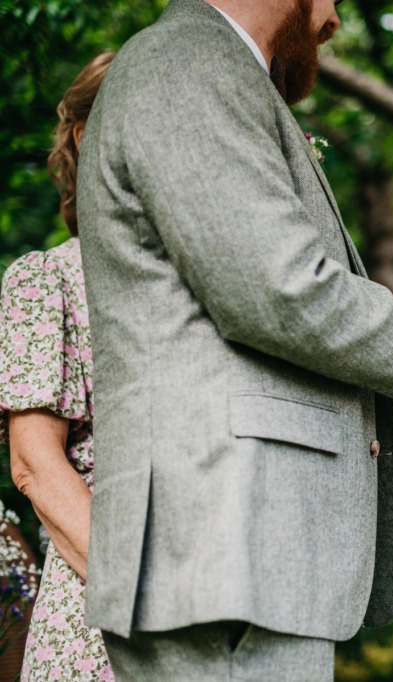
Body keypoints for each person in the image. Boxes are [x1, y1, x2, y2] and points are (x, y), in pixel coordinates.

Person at [75, 1, 393, 679]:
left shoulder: (211, 67)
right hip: (225, 546)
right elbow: (280, 291)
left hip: (244, 558)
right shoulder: (185, 61)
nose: (335, 18)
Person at [0, 52, 116, 682]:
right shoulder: (46, 280)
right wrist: (142, 597)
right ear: (84, 135)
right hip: (99, 618)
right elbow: (36, 466)